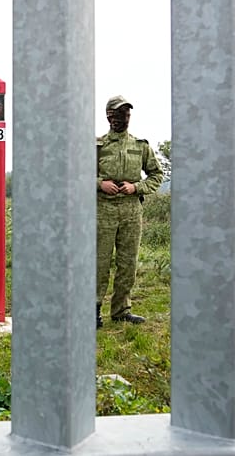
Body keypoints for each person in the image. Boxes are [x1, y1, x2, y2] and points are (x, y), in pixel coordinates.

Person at [96, 95, 164, 328]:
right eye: (117, 114)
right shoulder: (97, 146)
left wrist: (136, 187)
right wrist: (100, 184)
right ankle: (92, 309)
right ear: (108, 116)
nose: (122, 118)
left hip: (131, 210)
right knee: (99, 262)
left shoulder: (140, 146)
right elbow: (78, 174)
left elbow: (156, 175)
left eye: (126, 114)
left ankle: (121, 310)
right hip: (102, 210)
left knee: (128, 263)